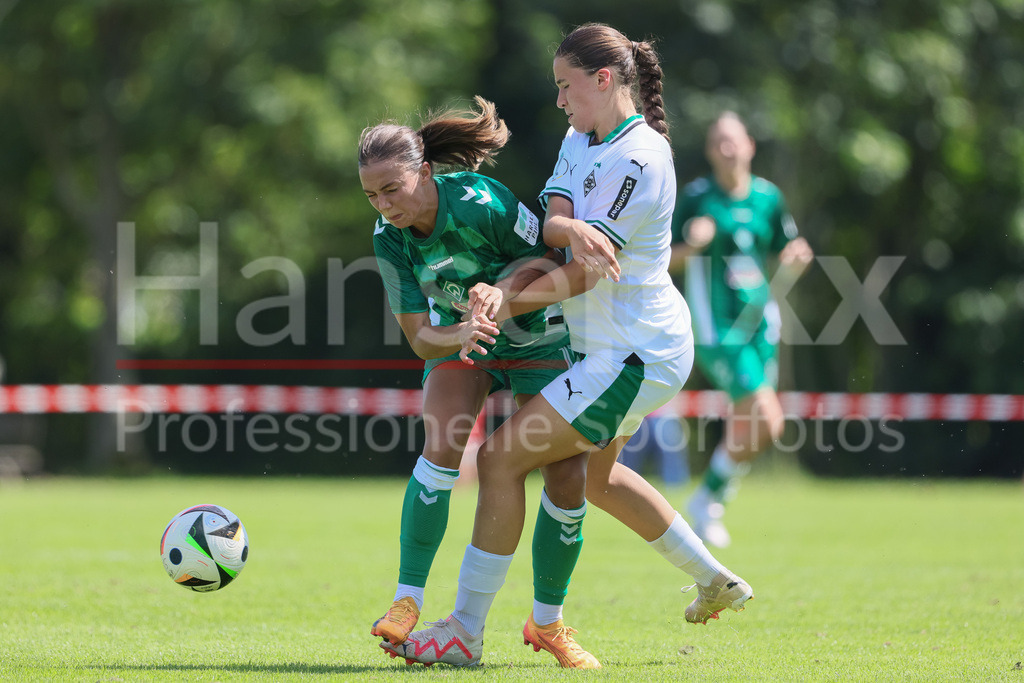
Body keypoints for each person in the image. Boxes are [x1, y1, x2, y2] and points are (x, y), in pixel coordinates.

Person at [381, 23, 752, 669]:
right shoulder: (583, 135)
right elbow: (554, 212)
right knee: (597, 479)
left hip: (635, 352)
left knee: (498, 460)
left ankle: (465, 629)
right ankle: (714, 577)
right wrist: (568, 223)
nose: (558, 100)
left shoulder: (640, 158)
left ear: (603, 80)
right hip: (608, 349)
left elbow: (580, 273)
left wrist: (502, 297)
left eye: (565, 86)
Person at [669, 111, 814, 548]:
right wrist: (692, 245)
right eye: (717, 142)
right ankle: (710, 500)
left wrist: (796, 254)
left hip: (760, 324)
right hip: (717, 330)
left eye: (732, 140)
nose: (726, 148)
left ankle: (707, 502)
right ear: (710, 152)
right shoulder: (696, 198)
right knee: (768, 419)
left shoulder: (769, 198)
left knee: (754, 423)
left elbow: (784, 246)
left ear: (750, 145)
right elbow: (665, 260)